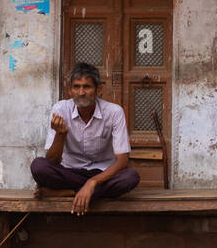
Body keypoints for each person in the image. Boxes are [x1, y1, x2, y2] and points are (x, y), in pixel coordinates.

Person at [30, 62, 140, 215]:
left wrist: (92, 182)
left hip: (101, 174)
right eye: (76, 87)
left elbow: (122, 161)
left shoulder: (114, 112)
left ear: (98, 90)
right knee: (39, 166)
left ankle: (68, 192)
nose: (81, 92)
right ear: (70, 90)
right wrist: (61, 135)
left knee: (130, 177)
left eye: (87, 87)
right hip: (70, 173)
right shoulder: (60, 109)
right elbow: (52, 161)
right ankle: (84, 192)